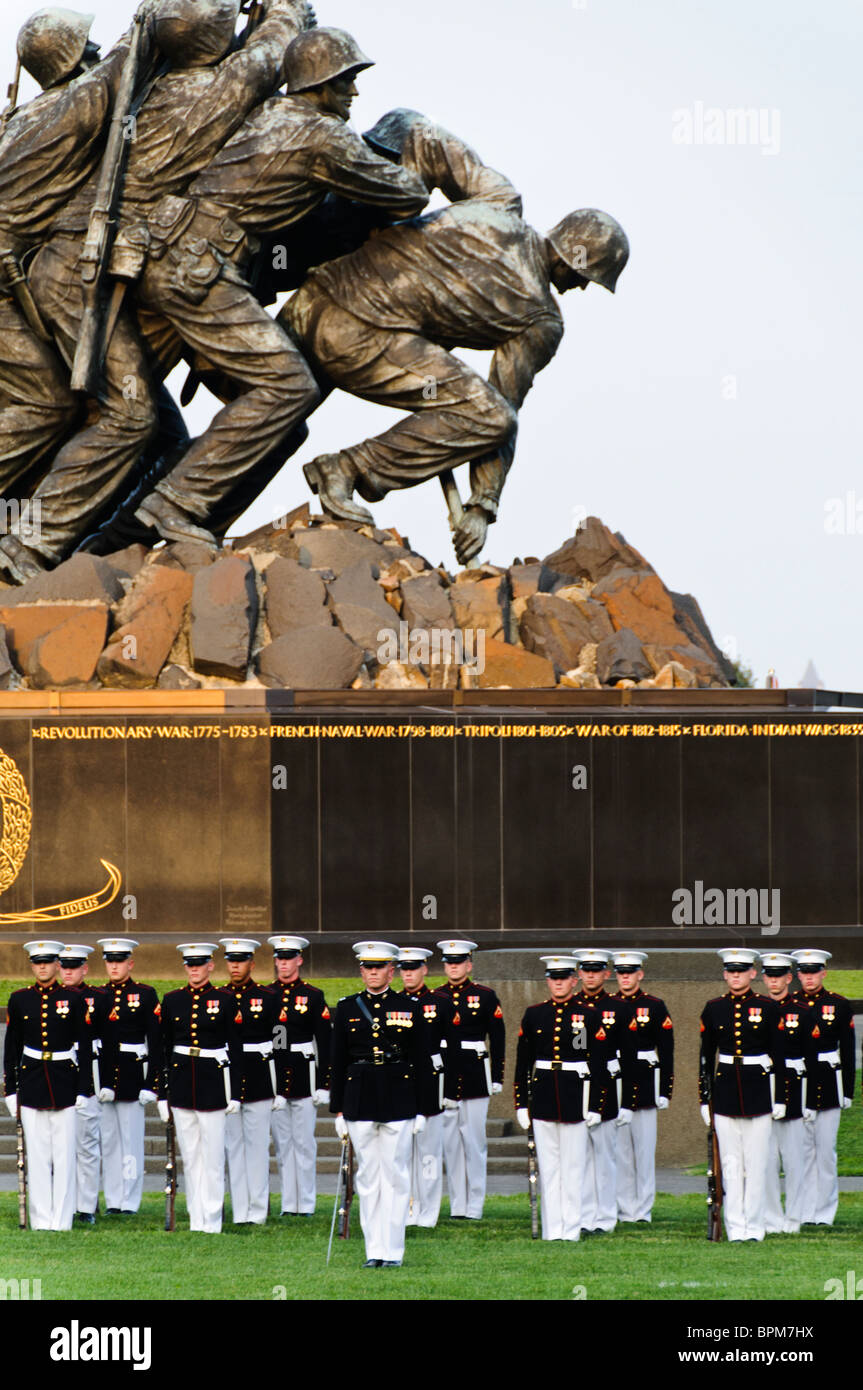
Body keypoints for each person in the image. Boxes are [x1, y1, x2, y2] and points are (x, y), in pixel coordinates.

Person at [0, 0, 315, 577]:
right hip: (72, 271)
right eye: (85, 49)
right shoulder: (191, 96)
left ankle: (105, 545)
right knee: (124, 414)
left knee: (163, 430)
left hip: (69, 267)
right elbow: (266, 60)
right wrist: (287, 11)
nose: (96, 52)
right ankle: (25, 545)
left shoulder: (139, 94)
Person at [130, 26, 428, 543]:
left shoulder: (272, 115)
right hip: (202, 272)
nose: (354, 93)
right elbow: (406, 195)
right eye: (346, 81)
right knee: (288, 388)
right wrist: (425, 156)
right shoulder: (323, 137)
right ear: (320, 82)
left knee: (273, 420)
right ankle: (167, 508)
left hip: (181, 262)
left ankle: (138, 530)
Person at [286, 196, 628, 563]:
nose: (581, 287)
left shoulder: (492, 212)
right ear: (573, 257)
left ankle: (213, 521)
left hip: (309, 302)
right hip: (357, 336)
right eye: (586, 276)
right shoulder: (541, 319)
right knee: (490, 416)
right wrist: (482, 506)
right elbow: (502, 409)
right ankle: (345, 468)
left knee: (271, 426)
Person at [329, 941, 428, 1267]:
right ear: (361, 970)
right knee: (368, 1178)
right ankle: (374, 1251)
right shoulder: (346, 1008)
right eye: (367, 967)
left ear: (392, 970)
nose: (373, 972)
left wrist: (423, 1109)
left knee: (397, 1176)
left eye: (380, 966)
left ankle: (394, 1252)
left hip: (398, 1098)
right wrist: (339, 1109)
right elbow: (337, 1060)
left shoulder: (410, 1007)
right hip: (359, 1098)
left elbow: (422, 1062)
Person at [2, 939, 92, 1230]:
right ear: (32, 966)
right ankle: (41, 1219)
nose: (42, 967)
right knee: (38, 1157)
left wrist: (83, 1088)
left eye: (47, 962)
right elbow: (12, 1047)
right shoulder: (19, 999)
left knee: (65, 1156)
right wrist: (11, 1088)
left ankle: (62, 1220)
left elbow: (86, 1047)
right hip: (31, 1082)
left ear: (56, 964)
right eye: (37, 962)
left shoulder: (74, 999)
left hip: (64, 1080)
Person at [514, 955, 605, 1241]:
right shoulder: (534, 1014)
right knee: (550, 1168)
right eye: (553, 978)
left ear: (573, 980)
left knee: (573, 1167)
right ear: (547, 981)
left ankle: (572, 1228)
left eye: (563, 978)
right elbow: (523, 1063)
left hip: (574, 1095)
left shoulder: (587, 1015)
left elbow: (598, 1063)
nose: (558, 983)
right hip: (543, 1097)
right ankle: (553, 1229)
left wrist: (596, 1106)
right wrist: (521, 1103)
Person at [699, 948, 785, 1242]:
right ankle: (735, 1227)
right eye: (730, 971)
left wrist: (782, 1097)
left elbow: (780, 1056)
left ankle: (755, 1227)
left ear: (752, 973)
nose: (735, 976)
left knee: (757, 1165)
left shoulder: (768, 1008)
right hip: (725, 1094)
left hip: (759, 1092)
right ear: (725, 974)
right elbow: (705, 1057)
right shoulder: (713, 1008)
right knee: (731, 1167)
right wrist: (703, 1097)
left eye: (742, 970)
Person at [160, 942, 241, 1233]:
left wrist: (236, 1093)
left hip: (213, 1082)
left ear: (210, 966)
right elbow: (163, 1048)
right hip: (182, 1082)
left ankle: (213, 1219)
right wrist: (161, 1093)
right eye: (189, 964)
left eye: (199, 964)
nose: (194, 969)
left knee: (213, 1157)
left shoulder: (226, 1000)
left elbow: (236, 1048)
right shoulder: (171, 1000)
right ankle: (196, 1218)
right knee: (191, 1156)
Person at [433, 939, 505, 1221]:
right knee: (450, 1143)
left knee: (474, 1142)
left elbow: (497, 1038)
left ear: (469, 965)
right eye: (449, 962)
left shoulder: (485, 996)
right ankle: (457, 1205)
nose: (454, 967)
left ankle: (474, 1206)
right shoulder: (436, 997)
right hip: (446, 1075)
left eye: (459, 962)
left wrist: (496, 1076)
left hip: (475, 1074)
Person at [90, 936, 162, 1216]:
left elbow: (155, 1042)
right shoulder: (97, 996)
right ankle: (113, 1200)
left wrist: (152, 1083)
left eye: (119, 961)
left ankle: (130, 1201)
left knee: (131, 1142)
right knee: (108, 1142)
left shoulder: (145, 994)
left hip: (133, 1073)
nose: (114, 966)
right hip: (106, 1076)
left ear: (130, 963)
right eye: (110, 961)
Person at [790, 948, 855, 1227]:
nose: (809, 977)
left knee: (825, 1151)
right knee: (801, 1152)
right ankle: (804, 1210)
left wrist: (848, 1090)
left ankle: (824, 1213)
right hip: (799, 1080)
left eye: (814, 971)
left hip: (828, 1082)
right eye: (804, 972)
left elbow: (849, 1050)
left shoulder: (838, 1004)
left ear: (823, 973)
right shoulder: (788, 1004)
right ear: (797, 975)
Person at [267, 933, 331, 1217]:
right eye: (279, 959)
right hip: (275, 1074)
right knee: (282, 1143)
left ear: (299, 960)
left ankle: (305, 1203)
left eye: (288, 958)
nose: (283, 964)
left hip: (305, 1072)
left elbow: (325, 1042)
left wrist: (325, 1082)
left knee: (304, 1142)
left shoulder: (313, 996)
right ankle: (288, 1203)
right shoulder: (266, 994)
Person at [219, 937, 282, 1224]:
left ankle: (257, 1211)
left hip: (258, 1077)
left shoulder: (269, 997)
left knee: (257, 1147)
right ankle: (240, 1210)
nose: (235, 965)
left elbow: (280, 1044)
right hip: (228, 1076)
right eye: (231, 960)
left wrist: (281, 1085)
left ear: (252, 964)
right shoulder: (218, 997)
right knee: (234, 1146)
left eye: (241, 960)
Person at [611, 950, 673, 1225]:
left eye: (630, 972)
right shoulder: (608, 1005)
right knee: (622, 1154)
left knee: (644, 1154)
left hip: (646, 1084)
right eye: (620, 973)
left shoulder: (655, 1006)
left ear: (640, 974)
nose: (625, 977)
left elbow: (667, 1050)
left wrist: (665, 1090)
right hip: (618, 1082)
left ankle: (643, 1210)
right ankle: (625, 1209)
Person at [571, 948, 628, 1234]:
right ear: (579, 973)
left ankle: (605, 1218)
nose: (591, 975)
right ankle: (583, 1216)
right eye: (586, 970)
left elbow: (628, 1057)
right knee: (580, 1157)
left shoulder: (618, 1007)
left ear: (606, 974)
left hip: (607, 1083)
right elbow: (579, 1049)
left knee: (605, 1156)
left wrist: (627, 1100)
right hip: (580, 1086)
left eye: (596, 970)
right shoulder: (574, 1008)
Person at [397, 945, 453, 1228]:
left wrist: (451, 1091)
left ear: (424, 970)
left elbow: (451, 1050)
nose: (408, 974)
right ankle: (408, 1210)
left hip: (431, 1084)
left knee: (429, 1155)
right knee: (402, 1155)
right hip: (401, 1084)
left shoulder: (440, 1002)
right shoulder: (393, 1004)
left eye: (413, 968)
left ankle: (428, 1213)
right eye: (403, 969)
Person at [760, 950, 812, 1235]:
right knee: (766, 1161)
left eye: (779, 976)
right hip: (764, 1088)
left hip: (794, 1087)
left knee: (794, 1160)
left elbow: (812, 1058)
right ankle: (770, 1217)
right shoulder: (760, 1009)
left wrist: (812, 1101)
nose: (774, 981)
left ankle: (794, 1217)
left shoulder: (803, 1012)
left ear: (789, 978)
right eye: (769, 975)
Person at [58, 943, 102, 1225]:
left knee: (87, 1140)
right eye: (64, 966)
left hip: (87, 1069)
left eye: (74, 967)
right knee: (60, 1145)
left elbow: (106, 1042)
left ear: (84, 969)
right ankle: (62, 1201)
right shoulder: (48, 998)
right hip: (58, 1070)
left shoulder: (98, 998)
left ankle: (86, 1204)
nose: (68, 971)